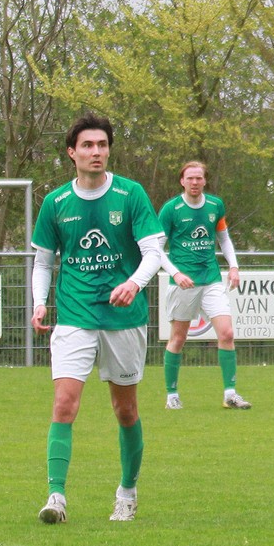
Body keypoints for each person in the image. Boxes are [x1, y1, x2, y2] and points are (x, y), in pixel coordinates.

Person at [31, 113, 165, 524]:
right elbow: (43, 261)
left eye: (102, 145)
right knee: (64, 403)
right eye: (87, 145)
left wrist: (134, 284)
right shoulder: (55, 203)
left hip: (124, 318)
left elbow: (153, 252)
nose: (96, 152)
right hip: (74, 314)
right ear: (72, 153)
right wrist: (39, 302)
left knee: (125, 410)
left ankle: (127, 492)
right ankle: (56, 497)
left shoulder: (130, 194)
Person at [159, 161, 249, 410]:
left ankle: (230, 394)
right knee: (178, 338)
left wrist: (233, 266)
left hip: (211, 278)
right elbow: (156, 249)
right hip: (184, 284)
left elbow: (224, 239)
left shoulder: (215, 205)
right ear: (182, 181)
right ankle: (172, 395)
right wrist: (176, 273)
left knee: (227, 333)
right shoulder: (171, 209)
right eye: (190, 178)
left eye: (199, 178)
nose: (195, 182)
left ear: (205, 180)